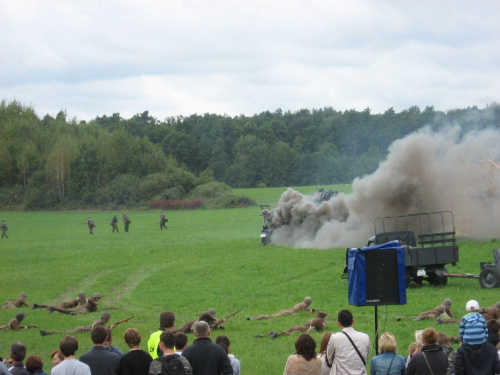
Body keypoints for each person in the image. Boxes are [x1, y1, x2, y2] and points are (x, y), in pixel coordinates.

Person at [326, 309, 370, 375]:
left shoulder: (334, 338)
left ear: (338, 323)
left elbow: (329, 359)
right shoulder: (365, 337)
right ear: (353, 322)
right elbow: (366, 357)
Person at [40, 311, 116, 336]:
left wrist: (109, 327)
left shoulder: (100, 321)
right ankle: (46, 332)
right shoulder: (100, 323)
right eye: (108, 319)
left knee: (65, 332)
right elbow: (94, 331)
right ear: (105, 319)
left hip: (81, 328)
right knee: (63, 333)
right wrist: (110, 329)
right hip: (81, 330)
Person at [247, 297, 314, 320]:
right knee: (270, 317)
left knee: (270, 316)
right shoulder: (304, 306)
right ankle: (253, 318)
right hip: (288, 313)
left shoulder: (301, 303)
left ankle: (253, 317)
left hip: (286, 311)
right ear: (309, 303)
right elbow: (306, 312)